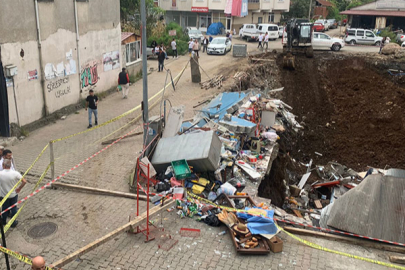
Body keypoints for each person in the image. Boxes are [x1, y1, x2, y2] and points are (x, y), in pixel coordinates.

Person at [0, 159, 26, 227]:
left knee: (4, 208)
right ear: (10, 165)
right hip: (13, 194)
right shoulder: (15, 173)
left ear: (3, 165)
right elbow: (24, 181)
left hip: (4, 195)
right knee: (14, 208)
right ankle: (13, 222)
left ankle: (3, 220)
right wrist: (19, 188)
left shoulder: (0, 174)